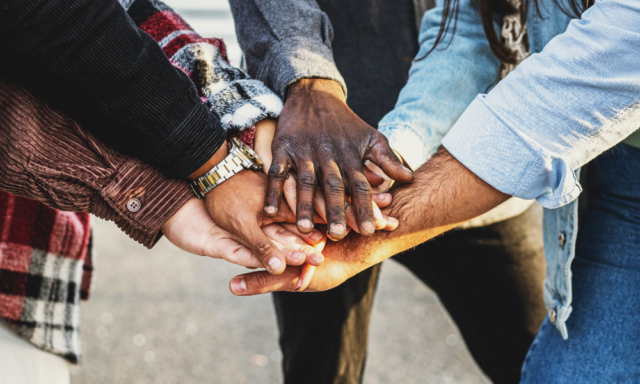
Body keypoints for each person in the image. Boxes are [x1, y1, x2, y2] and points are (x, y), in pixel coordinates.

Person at [234, 0, 640, 382]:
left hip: (487, 152)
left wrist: (382, 223)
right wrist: (390, 153)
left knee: (532, 354)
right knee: (320, 365)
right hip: (326, 151)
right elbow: (468, 31)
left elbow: (597, 68)